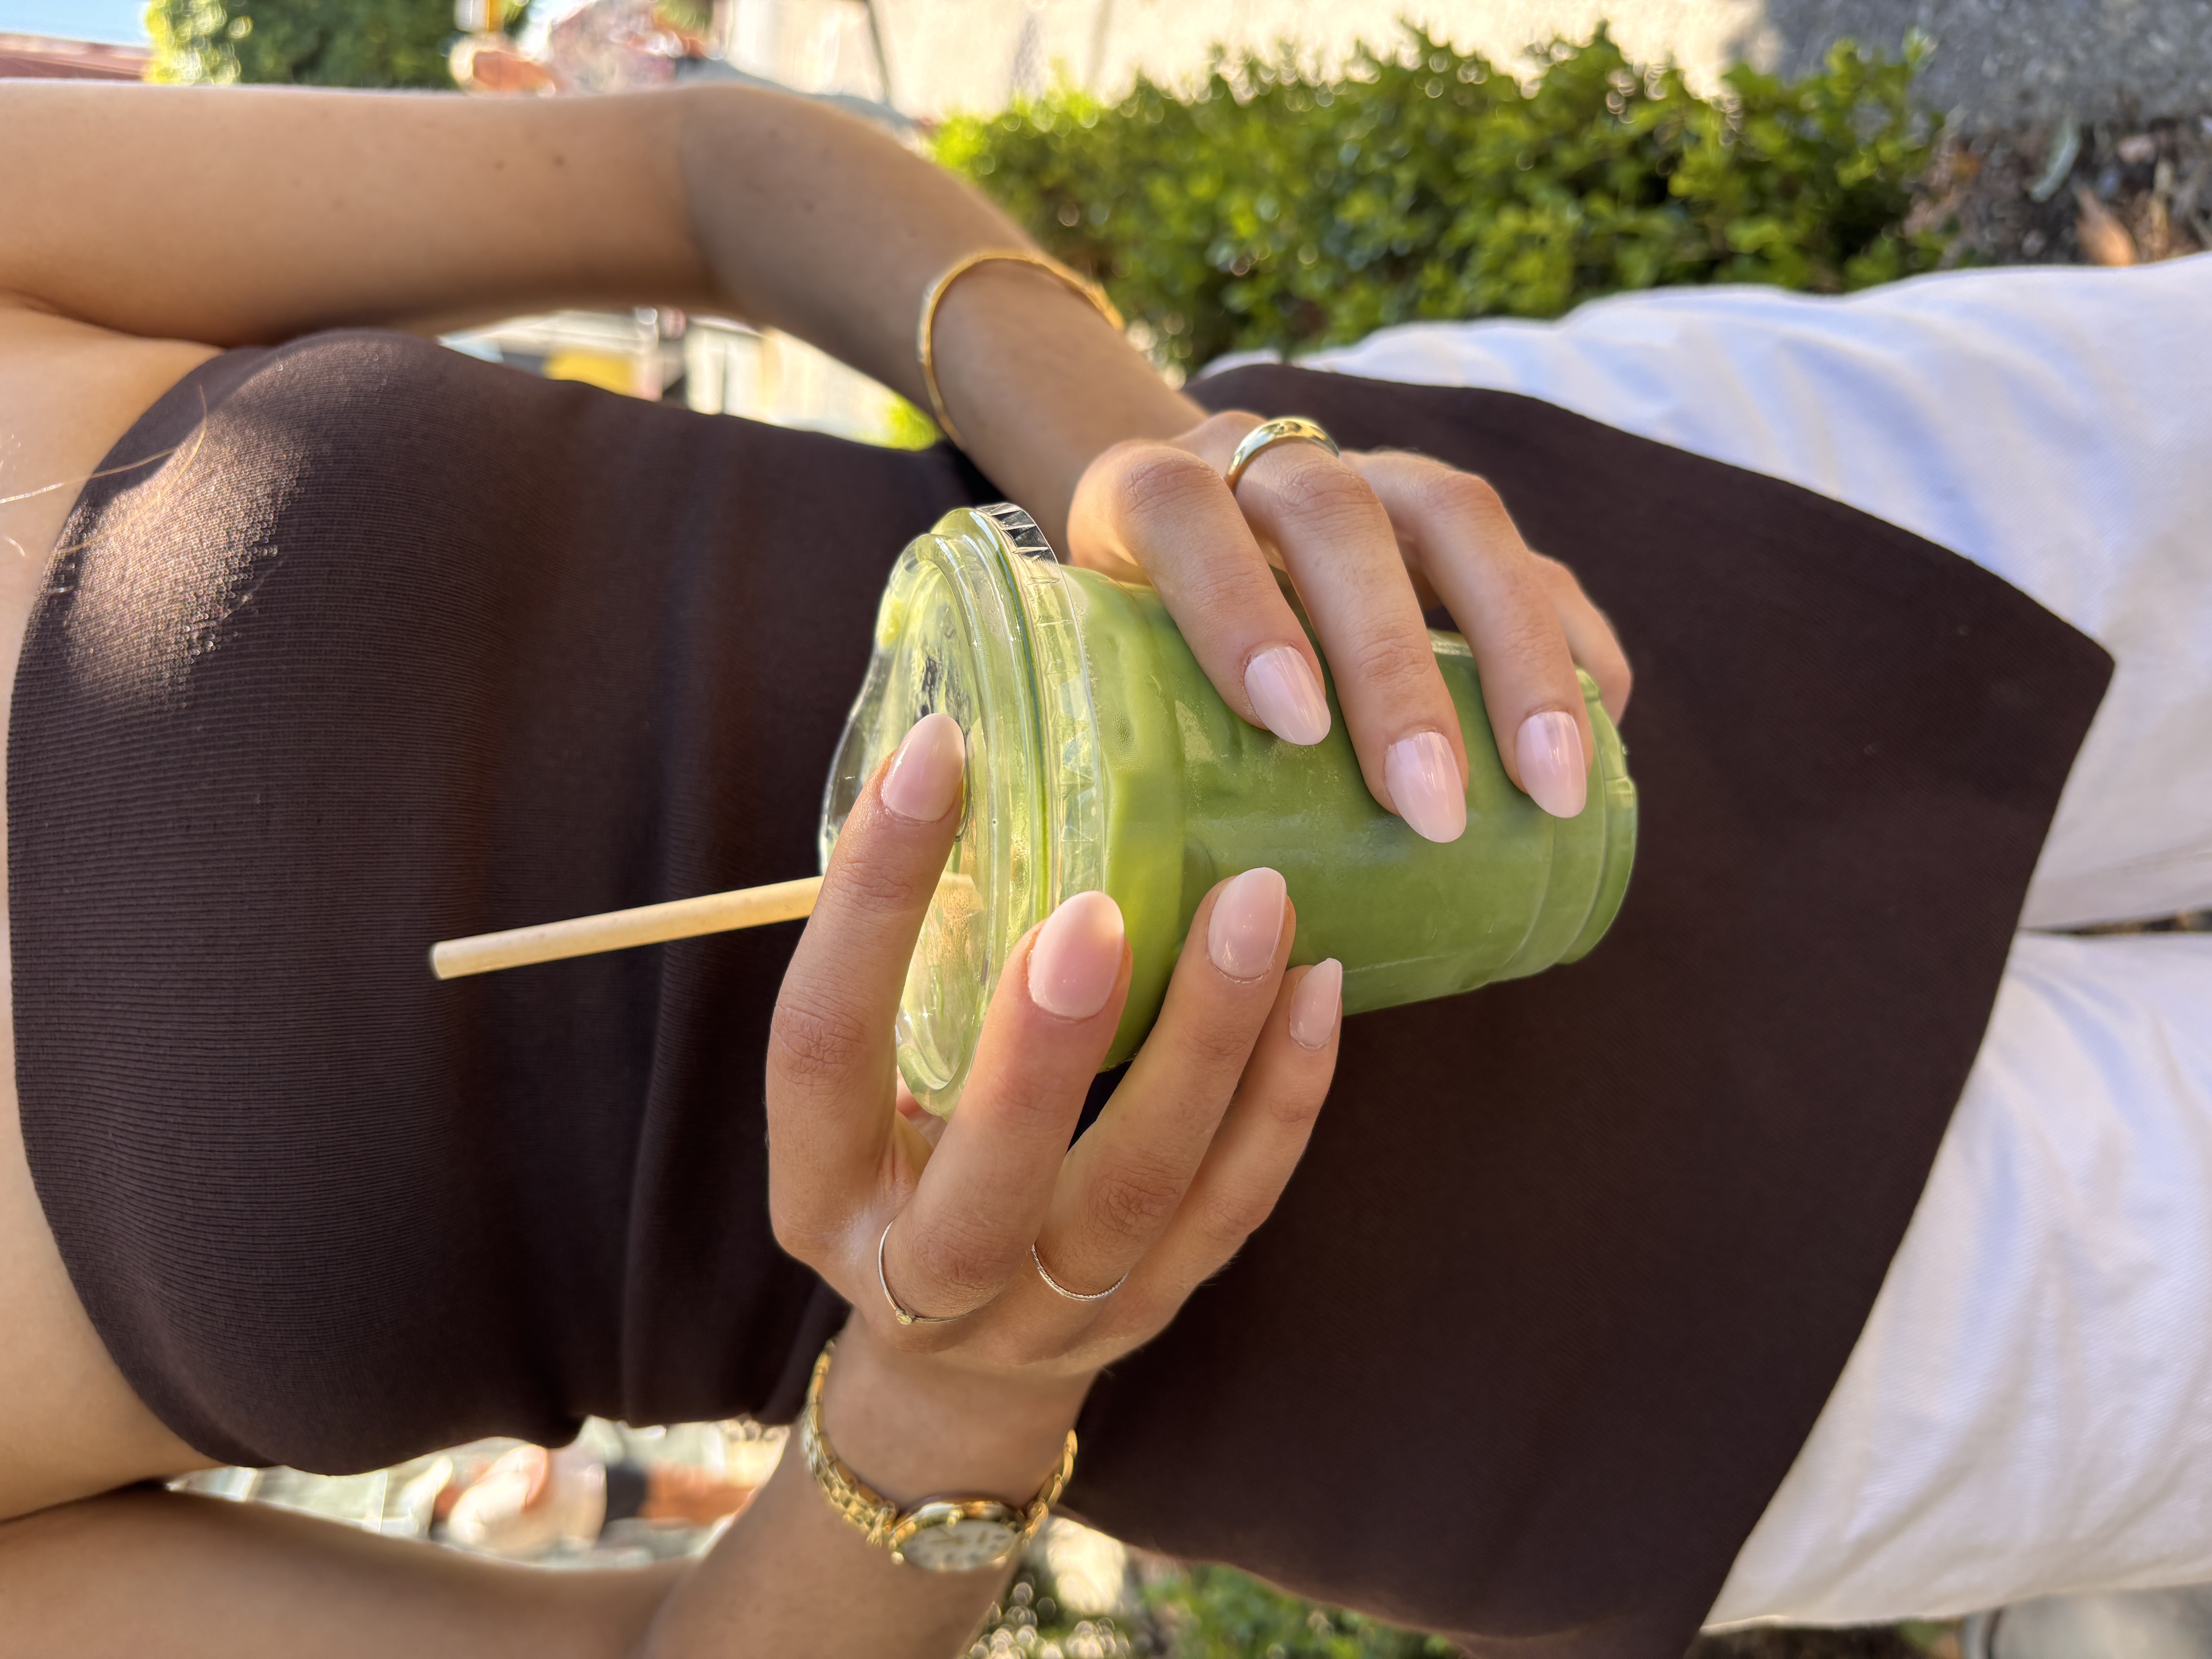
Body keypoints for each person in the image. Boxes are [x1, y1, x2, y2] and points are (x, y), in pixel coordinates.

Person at [0, 76, 2139, 1658]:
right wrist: (949, 1394)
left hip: (1487, 601)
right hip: (1554, 1340)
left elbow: (699, 174)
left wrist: (1147, 453)